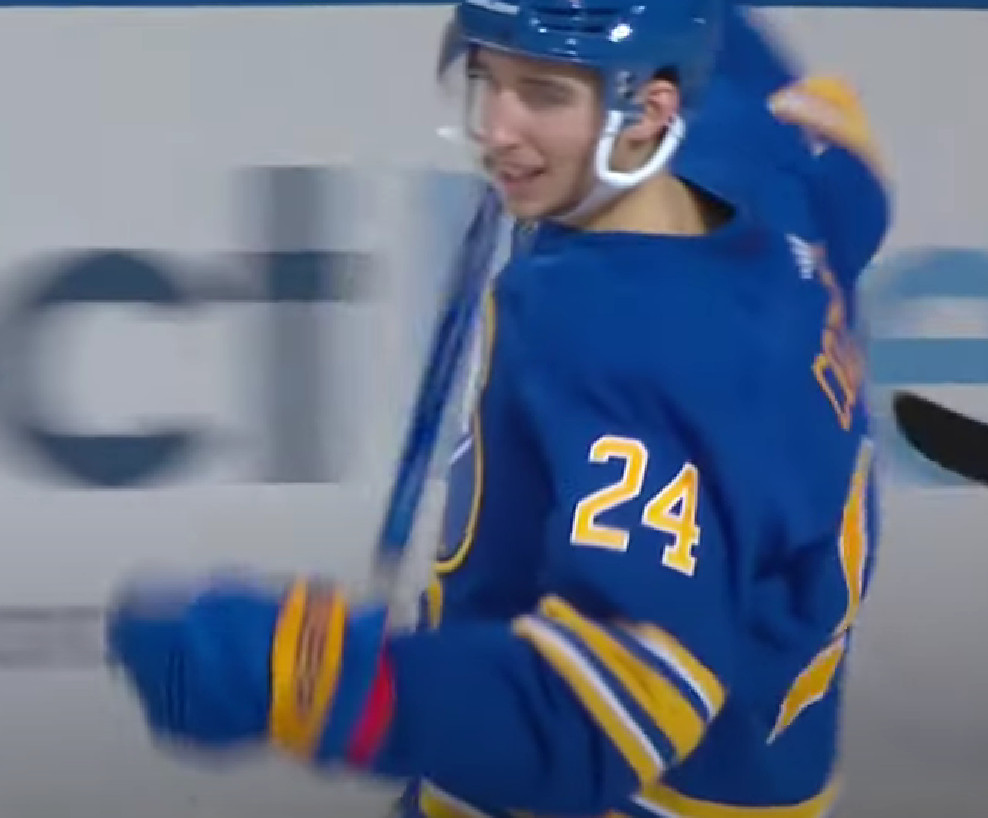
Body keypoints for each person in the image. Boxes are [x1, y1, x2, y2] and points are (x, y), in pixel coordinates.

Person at [106, 1, 884, 816]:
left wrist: (305, 675)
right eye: (490, 80)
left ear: (650, 110)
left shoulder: (637, 352)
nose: (498, 133)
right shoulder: (763, 162)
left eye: (546, 94)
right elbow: (850, 181)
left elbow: (599, 718)